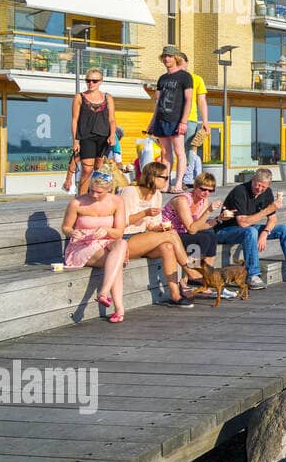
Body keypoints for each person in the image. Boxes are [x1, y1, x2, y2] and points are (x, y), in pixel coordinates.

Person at [119, 161, 201, 308]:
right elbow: (121, 223)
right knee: (172, 234)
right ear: (152, 176)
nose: (167, 181)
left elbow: (151, 225)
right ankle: (191, 270)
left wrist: (160, 227)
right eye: (164, 177)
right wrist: (144, 213)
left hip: (143, 237)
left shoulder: (157, 194)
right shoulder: (129, 192)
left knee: (168, 246)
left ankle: (175, 295)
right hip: (124, 239)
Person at [215, 168, 286, 288]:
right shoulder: (240, 191)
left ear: (268, 185)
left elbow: (273, 219)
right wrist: (267, 210)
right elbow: (242, 223)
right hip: (225, 230)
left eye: (263, 187)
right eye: (257, 185)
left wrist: (265, 233)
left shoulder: (267, 192)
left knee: (284, 229)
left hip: (248, 229)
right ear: (252, 180)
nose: (259, 189)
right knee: (251, 231)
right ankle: (252, 275)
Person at [61, 171, 128, 322]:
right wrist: (72, 232)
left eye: (99, 192)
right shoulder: (77, 203)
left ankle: (104, 293)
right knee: (115, 262)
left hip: (106, 241)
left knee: (122, 244)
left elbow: (119, 232)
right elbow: (65, 227)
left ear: (109, 189)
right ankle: (118, 307)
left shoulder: (117, 202)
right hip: (82, 245)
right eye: (91, 190)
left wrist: (106, 230)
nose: (94, 195)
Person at [148, 46, 193, 192]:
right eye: (165, 56)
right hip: (161, 119)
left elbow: (189, 100)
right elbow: (158, 102)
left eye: (170, 56)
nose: (167, 59)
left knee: (180, 152)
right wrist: (152, 122)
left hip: (176, 119)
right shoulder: (162, 78)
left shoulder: (185, 77)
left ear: (176, 58)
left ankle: (179, 183)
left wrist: (183, 121)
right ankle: (165, 183)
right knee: (165, 153)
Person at [69, 68, 116, 191]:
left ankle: (95, 195)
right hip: (86, 136)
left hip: (103, 136)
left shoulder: (108, 97)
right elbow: (74, 120)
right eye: (88, 80)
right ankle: (81, 198)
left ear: (101, 81)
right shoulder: (79, 97)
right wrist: (75, 140)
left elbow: (112, 119)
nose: (91, 83)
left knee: (99, 169)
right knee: (87, 169)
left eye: (94, 81)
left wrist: (112, 135)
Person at [163, 171, 222, 265]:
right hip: (169, 233)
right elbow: (191, 230)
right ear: (195, 186)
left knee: (211, 236)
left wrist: (219, 219)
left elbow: (198, 226)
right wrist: (208, 211)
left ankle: (208, 271)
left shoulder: (203, 201)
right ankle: (193, 271)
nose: (206, 193)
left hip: (183, 232)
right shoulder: (182, 200)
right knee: (203, 239)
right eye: (203, 189)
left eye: (210, 191)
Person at [176, 51, 210, 164]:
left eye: (181, 62)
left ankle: (188, 172)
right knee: (174, 149)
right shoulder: (171, 79)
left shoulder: (196, 79)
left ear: (187, 63)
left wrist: (205, 121)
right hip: (173, 119)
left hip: (190, 119)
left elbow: (202, 101)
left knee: (188, 148)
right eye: (177, 62)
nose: (179, 65)